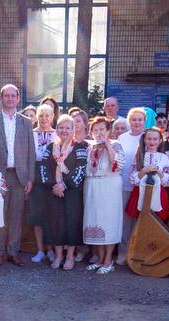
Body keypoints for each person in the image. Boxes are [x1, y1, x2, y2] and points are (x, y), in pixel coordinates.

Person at [0, 84, 36, 268]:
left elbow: (30, 152)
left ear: (18, 99)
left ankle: (13, 251)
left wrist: (30, 178)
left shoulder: (26, 122)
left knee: (16, 216)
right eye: (7, 95)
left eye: (13, 95)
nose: (10, 98)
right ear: (1, 98)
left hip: (19, 176)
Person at [42, 117, 87, 269]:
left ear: (73, 130)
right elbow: (43, 168)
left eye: (68, 128)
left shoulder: (79, 147)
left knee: (72, 223)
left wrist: (64, 185)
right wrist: (54, 185)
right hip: (53, 192)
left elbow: (81, 169)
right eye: (61, 127)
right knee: (56, 222)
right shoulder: (50, 147)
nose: (64, 131)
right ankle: (59, 255)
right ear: (57, 130)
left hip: (72, 192)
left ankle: (70, 257)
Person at [82, 116, 123, 273]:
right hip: (92, 186)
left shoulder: (116, 145)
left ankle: (108, 260)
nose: (99, 133)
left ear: (108, 131)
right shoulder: (89, 148)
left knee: (109, 222)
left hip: (109, 186)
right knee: (94, 220)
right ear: (91, 132)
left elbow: (117, 165)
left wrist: (107, 145)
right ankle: (99, 258)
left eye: (102, 130)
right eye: (96, 130)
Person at [115, 106, 148, 263]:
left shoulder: (149, 137)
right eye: (133, 119)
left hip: (143, 187)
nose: (137, 122)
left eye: (140, 119)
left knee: (140, 221)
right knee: (125, 221)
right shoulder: (122, 138)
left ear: (145, 121)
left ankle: (137, 252)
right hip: (124, 184)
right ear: (129, 121)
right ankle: (123, 251)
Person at [27, 103, 58, 262]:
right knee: (37, 214)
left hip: (53, 175)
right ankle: (40, 250)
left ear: (52, 117)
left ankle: (51, 249)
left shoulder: (57, 134)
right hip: (36, 174)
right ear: (36, 117)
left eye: (47, 115)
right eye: (41, 115)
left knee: (51, 214)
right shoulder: (30, 134)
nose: (44, 119)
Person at [125, 126, 169, 221]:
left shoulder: (164, 157)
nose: (152, 142)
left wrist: (158, 171)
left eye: (155, 139)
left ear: (160, 140)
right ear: (144, 140)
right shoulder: (139, 156)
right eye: (149, 139)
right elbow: (132, 179)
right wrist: (144, 170)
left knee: (157, 222)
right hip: (140, 193)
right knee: (141, 221)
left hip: (159, 193)